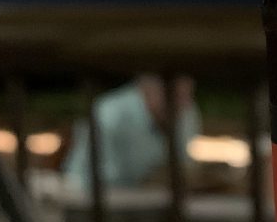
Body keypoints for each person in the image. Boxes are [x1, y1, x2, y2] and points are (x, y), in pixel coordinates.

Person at [64, 73, 201, 190]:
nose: (183, 105)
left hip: (151, 202)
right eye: (175, 96)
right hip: (87, 200)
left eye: (187, 96)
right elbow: (99, 184)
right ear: (145, 89)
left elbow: (183, 169)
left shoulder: (187, 112)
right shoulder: (109, 113)